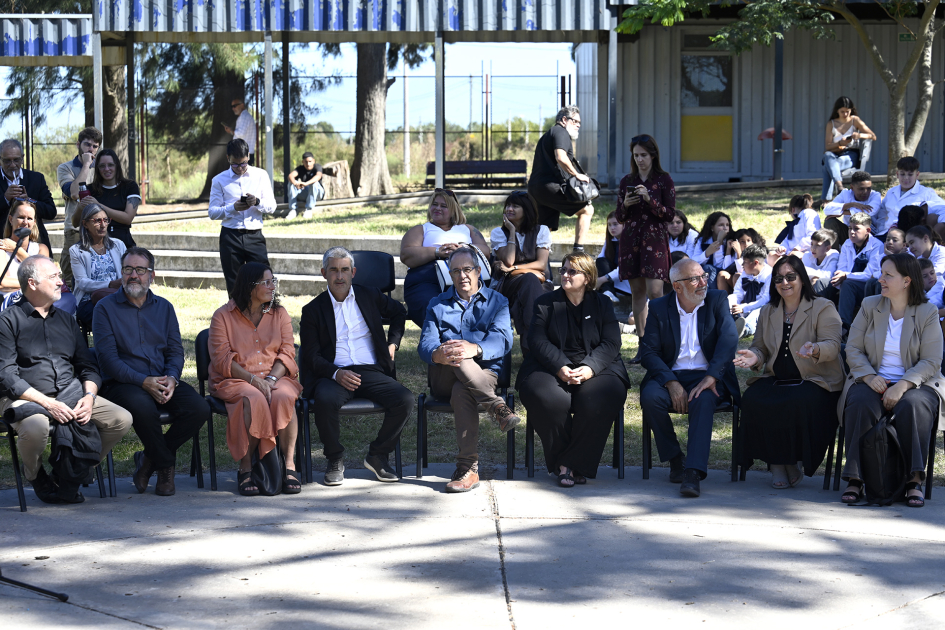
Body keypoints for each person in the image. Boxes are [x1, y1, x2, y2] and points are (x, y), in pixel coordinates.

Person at [0, 255, 132, 504]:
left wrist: (89, 398)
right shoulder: (7, 321)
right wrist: (48, 404)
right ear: (32, 283)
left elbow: (87, 366)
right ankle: (36, 475)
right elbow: (6, 376)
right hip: (24, 397)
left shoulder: (66, 321)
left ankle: (69, 472)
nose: (61, 282)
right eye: (54, 277)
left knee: (120, 419)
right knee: (37, 426)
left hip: (69, 394)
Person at [92, 247, 209, 497]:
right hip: (122, 382)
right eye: (128, 269)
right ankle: (165, 465)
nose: (133, 275)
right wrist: (143, 381)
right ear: (121, 273)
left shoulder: (164, 308)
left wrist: (172, 379)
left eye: (140, 270)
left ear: (151, 275)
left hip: (161, 378)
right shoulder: (104, 308)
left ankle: (148, 460)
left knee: (199, 408)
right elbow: (108, 360)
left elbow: (176, 352)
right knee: (143, 407)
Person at [300, 247, 413, 486]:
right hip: (333, 373)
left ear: (353, 272)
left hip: (370, 370)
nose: (339, 276)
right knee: (325, 400)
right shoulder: (312, 310)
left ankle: (378, 455)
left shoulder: (369, 295)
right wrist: (336, 373)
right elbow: (311, 355)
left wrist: (393, 343)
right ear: (323, 273)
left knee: (404, 399)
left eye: (344, 270)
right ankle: (335, 459)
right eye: (333, 270)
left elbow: (399, 312)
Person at [838, 253, 944, 507]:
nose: (880, 279)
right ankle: (855, 478)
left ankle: (913, 480)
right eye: (881, 273)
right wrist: (868, 375)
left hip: (916, 383)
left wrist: (902, 385)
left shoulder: (927, 311)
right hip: (872, 378)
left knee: (913, 405)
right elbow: (852, 348)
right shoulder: (870, 305)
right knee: (861, 402)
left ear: (907, 281)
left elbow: (931, 361)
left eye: (888, 275)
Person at [517, 252, 629, 487]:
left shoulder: (602, 304)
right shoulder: (545, 302)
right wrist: (560, 366)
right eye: (563, 270)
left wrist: (590, 368)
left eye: (572, 271)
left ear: (587, 277)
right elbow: (536, 340)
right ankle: (571, 464)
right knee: (547, 397)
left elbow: (611, 343)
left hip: (598, 366)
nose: (565, 275)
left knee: (601, 396)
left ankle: (568, 463)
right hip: (549, 366)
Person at [734, 256, 843, 488]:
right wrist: (755, 356)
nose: (785, 282)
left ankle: (787, 462)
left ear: (802, 278)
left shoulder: (823, 307)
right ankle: (778, 464)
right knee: (753, 398)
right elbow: (760, 347)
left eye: (791, 276)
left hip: (815, 380)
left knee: (795, 401)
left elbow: (833, 346)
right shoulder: (768, 311)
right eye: (779, 278)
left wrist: (814, 349)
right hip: (777, 378)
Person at [417, 246, 519, 493]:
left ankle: (468, 470)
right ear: (450, 275)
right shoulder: (437, 304)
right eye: (456, 271)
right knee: (454, 352)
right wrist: (437, 354)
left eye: (467, 269)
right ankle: (497, 407)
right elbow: (426, 343)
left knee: (462, 388)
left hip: (484, 374)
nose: (462, 275)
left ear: (479, 270)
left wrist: (475, 348)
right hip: (444, 374)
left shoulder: (498, 301)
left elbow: (503, 340)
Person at [639, 258, 739, 498]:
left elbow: (729, 339)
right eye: (695, 279)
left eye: (704, 276)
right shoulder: (660, 307)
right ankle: (675, 460)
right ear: (677, 286)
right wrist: (671, 382)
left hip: (707, 374)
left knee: (704, 400)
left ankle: (693, 472)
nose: (703, 282)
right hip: (671, 373)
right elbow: (648, 352)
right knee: (651, 398)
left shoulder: (717, 300)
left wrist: (712, 375)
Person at [209, 263, 304, 496]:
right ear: (251, 287)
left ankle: (289, 465)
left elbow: (287, 352)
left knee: (283, 396)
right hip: (236, 379)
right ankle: (245, 468)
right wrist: (254, 381)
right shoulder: (223, 316)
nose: (273, 287)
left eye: (273, 281)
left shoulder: (279, 314)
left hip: (276, 377)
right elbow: (223, 360)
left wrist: (270, 379)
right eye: (267, 282)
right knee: (254, 398)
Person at [616, 134, 675, 364]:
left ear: (653, 155)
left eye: (644, 155)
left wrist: (650, 199)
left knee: (655, 292)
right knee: (637, 292)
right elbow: (619, 217)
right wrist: (626, 205)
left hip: (655, 241)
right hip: (631, 240)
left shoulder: (664, 180)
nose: (640, 159)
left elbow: (669, 214)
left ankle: (660, 342)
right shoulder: (626, 181)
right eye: (636, 155)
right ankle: (643, 345)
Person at [400, 189, 489, 326]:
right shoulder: (421, 229)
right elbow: (406, 255)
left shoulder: (468, 229)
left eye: (443, 206)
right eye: (434, 204)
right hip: (428, 279)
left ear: (453, 210)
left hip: (463, 278)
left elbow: (486, 251)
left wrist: (464, 249)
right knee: (433, 307)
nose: (437, 208)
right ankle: (443, 343)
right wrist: (437, 252)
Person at [208, 139, 277, 297]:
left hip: (254, 235)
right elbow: (212, 212)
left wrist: (257, 202)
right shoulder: (219, 180)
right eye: (235, 164)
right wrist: (233, 208)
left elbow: (272, 206)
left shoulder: (260, 175)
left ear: (248, 156)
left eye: (243, 164)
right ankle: (237, 320)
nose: (239, 168)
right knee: (234, 284)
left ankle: (266, 316)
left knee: (264, 280)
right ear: (228, 158)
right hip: (230, 236)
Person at [489, 191, 551, 349]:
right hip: (509, 285)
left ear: (527, 210)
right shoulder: (499, 233)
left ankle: (529, 347)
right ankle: (537, 344)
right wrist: (511, 232)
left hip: (538, 283)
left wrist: (515, 268)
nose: (509, 209)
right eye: (508, 205)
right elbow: (508, 260)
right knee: (531, 279)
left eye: (515, 206)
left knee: (524, 297)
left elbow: (541, 264)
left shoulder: (541, 230)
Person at [527, 106, 594, 250]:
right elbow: (561, 157)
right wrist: (577, 175)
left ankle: (534, 257)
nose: (578, 125)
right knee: (587, 210)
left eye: (579, 123)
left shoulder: (548, 135)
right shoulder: (560, 132)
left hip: (537, 188)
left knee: (545, 227)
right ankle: (578, 251)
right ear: (564, 120)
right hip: (550, 186)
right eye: (575, 121)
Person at [57, 127, 102, 288]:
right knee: (69, 278)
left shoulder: (103, 169)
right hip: (75, 230)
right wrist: (87, 165)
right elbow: (75, 193)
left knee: (97, 275)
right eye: (87, 144)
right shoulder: (65, 168)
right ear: (78, 144)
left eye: (94, 146)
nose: (90, 149)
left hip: (99, 229)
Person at [824, 212, 884, 333]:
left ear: (867, 230)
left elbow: (869, 274)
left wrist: (846, 275)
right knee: (823, 284)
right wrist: (839, 277)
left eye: (856, 229)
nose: (851, 232)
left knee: (848, 284)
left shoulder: (877, 246)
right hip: (847, 283)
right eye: (850, 228)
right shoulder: (847, 243)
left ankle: (844, 326)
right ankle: (818, 322)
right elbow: (841, 267)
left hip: (866, 288)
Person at [70, 148, 141, 249]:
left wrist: (98, 206)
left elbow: (127, 218)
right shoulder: (90, 190)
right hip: (95, 246)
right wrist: (81, 207)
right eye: (102, 166)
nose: (107, 169)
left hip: (123, 244)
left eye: (110, 165)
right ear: (97, 168)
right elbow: (75, 222)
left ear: (117, 166)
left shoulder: (129, 186)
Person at [69, 204, 126, 329]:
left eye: (106, 220)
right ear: (85, 224)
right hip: (88, 302)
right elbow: (83, 283)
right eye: (97, 221)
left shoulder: (118, 245)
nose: (103, 225)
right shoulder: (76, 251)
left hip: (117, 297)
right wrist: (110, 284)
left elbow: (126, 271)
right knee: (113, 315)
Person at [818, 96, 876, 205]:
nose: (845, 114)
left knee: (827, 164)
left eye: (847, 112)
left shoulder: (855, 120)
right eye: (842, 112)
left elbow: (873, 136)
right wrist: (840, 143)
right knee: (827, 156)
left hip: (850, 154)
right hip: (835, 154)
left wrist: (859, 135)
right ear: (837, 111)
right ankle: (839, 186)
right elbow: (828, 146)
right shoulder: (831, 124)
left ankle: (826, 200)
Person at [0, 138, 56, 250]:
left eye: (16, 160)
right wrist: (5, 198)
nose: (12, 165)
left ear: (22, 158)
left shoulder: (36, 178)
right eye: (7, 161)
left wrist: (29, 200)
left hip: (34, 243)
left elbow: (51, 212)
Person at [882, 156, 945, 238]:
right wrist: (880, 229)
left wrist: (939, 226)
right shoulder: (891, 192)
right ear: (897, 174)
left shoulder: (927, 193)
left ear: (917, 174)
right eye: (902, 174)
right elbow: (882, 213)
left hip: (909, 236)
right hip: (885, 233)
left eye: (910, 174)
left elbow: (942, 209)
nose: (906, 178)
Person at [0, 199, 50, 296]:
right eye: (21, 217)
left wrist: (17, 250)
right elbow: (2, 283)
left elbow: (45, 277)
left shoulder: (41, 249)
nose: (25, 222)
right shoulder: (2, 247)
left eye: (30, 218)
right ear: (11, 219)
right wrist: (36, 284)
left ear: (34, 222)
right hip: (9, 304)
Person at [823, 171, 881, 250]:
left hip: (869, 235)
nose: (865, 192)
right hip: (850, 233)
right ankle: (834, 255)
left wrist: (842, 212)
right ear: (852, 187)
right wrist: (851, 204)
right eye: (861, 189)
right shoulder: (845, 193)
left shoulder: (875, 195)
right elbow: (827, 209)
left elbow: (870, 212)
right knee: (830, 222)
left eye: (868, 188)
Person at [596, 211, 635, 320]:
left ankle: (606, 290)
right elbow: (601, 259)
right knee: (600, 261)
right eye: (609, 225)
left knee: (599, 288)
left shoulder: (631, 241)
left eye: (615, 224)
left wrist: (603, 279)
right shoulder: (611, 240)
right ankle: (607, 291)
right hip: (616, 282)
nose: (612, 228)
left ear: (624, 225)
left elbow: (626, 267)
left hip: (629, 282)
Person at [730, 244, 772, 338]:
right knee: (730, 298)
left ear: (755, 263)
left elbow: (765, 299)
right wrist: (735, 305)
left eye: (745, 262)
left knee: (759, 311)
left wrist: (744, 308)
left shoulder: (770, 275)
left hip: (760, 308)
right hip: (745, 306)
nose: (742, 265)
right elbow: (737, 293)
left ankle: (745, 329)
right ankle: (728, 322)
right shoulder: (745, 273)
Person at [691, 211, 734, 288]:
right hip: (706, 274)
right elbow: (694, 261)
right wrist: (706, 253)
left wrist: (719, 243)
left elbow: (722, 267)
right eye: (721, 225)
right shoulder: (702, 240)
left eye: (727, 225)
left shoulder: (731, 241)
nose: (725, 228)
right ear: (712, 227)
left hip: (726, 275)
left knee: (708, 268)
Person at [285, 152, 325, 220]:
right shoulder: (300, 168)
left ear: (313, 161)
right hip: (306, 194)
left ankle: (309, 209)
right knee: (291, 183)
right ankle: (293, 210)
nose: (308, 164)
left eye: (310, 161)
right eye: (306, 162)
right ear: (302, 162)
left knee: (314, 183)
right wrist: (295, 184)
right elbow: (290, 176)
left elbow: (318, 176)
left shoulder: (317, 167)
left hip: (318, 194)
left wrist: (306, 183)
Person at [802, 228, 840, 294]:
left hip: (828, 289)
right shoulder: (807, 255)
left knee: (816, 281)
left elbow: (828, 275)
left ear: (827, 248)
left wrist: (806, 271)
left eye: (817, 245)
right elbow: (801, 275)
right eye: (812, 244)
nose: (813, 248)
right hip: (808, 286)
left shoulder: (833, 255)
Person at [222, 97, 257, 165]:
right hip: (244, 153)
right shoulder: (245, 116)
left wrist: (231, 131)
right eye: (232, 106)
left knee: (240, 175)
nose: (233, 108)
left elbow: (240, 133)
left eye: (234, 106)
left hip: (242, 154)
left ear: (242, 105)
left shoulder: (244, 116)